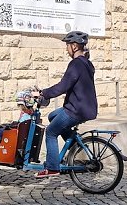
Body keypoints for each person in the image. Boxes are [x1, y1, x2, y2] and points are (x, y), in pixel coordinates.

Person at [33, 31, 98, 178]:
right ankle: (74, 144)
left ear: (74, 46)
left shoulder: (76, 64)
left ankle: (52, 168)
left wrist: (43, 93)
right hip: (87, 108)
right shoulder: (87, 63)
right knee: (52, 116)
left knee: (50, 132)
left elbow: (63, 86)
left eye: (68, 45)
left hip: (76, 110)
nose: (66, 49)